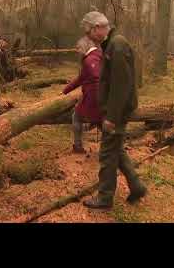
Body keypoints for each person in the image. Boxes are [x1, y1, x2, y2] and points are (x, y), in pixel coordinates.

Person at [83, 24, 147, 209]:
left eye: (92, 33)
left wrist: (111, 116)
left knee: (107, 153)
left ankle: (105, 198)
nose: (91, 38)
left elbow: (120, 85)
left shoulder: (117, 45)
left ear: (100, 28)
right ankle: (137, 186)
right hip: (115, 110)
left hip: (116, 112)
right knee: (116, 149)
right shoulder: (112, 44)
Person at [62, 12, 109, 154]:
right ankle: (110, 149)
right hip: (102, 99)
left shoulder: (90, 60)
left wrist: (90, 97)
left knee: (77, 117)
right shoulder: (98, 56)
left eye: (79, 49)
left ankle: (78, 146)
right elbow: (81, 79)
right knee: (102, 124)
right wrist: (65, 91)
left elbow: (95, 78)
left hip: (94, 99)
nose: (78, 51)